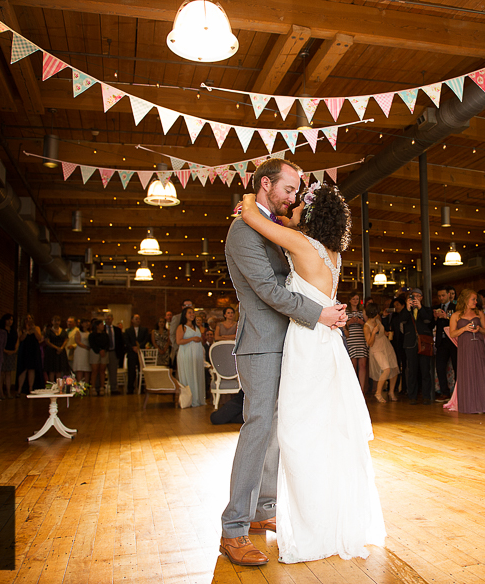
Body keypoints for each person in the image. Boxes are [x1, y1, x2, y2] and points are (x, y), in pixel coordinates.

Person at [219, 159, 349, 566]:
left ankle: (263, 511)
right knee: (258, 429)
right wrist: (320, 313)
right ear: (265, 184)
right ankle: (233, 528)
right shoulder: (243, 231)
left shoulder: (271, 228)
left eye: (297, 192)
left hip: (290, 342)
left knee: (278, 430)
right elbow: (269, 292)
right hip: (261, 343)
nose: (294, 198)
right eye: (289, 190)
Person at [450, 289, 485, 414]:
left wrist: (479, 329)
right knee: (467, 373)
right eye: (473, 299)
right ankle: (469, 404)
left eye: (476, 299)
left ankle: (483, 404)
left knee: (481, 371)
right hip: (465, 347)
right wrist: (464, 329)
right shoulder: (456, 315)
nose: (476, 302)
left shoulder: (479, 313)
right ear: (465, 300)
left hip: (478, 345)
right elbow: (452, 333)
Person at [396, 288, 435, 405]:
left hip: (424, 343)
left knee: (425, 370)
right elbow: (402, 320)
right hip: (410, 343)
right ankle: (412, 396)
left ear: (422, 298)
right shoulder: (406, 310)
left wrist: (420, 308)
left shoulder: (427, 310)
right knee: (412, 370)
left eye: (418, 296)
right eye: (413, 296)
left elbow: (428, 320)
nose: (416, 298)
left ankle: (426, 396)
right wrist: (408, 308)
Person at [364, 301, 399, 402]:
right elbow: (369, 343)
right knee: (386, 369)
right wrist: (374, 333)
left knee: (394, 368)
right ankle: (378, 393)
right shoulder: (366, 327)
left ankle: (391, 392)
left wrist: (387, 333)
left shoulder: (378, 320)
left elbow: (383, 332)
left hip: (386, 346)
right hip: (376, 349)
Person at [176, 307, 205, 407]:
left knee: (196, 374)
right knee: (189, 374)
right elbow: (178, 341)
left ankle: (197, 398)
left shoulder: (196, 326)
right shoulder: (181, 327)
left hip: (196, 354)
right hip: (186, 353)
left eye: (193, 313)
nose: (192, 314)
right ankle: (189, 400)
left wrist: (199, 339)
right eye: (190, 313)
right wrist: (192, 338)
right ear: (185, 315)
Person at [433, 286, 458, 399]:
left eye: (443, 295)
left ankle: (458, 391)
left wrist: (447, 316)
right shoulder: (436, 308)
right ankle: (445, 392)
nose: (441, 298)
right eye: (439, 296)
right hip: (441, 341)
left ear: (449, 295)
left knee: (457, 366)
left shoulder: (455, 307)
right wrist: (434, 318)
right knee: (440, 367)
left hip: (453, 341)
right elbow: (431, 326)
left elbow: (459, 320)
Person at [344, 292, 369, 394]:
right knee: (353, 366)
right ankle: (353, 390)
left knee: (363, 365)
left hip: (361, 339)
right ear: (349, 300)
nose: (355, 301)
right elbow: (343, 326)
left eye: (357, 299)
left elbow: (368, 325)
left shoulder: (362, 311)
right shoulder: (346, 311)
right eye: (353, 299)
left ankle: (362, 390)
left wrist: (360, 322)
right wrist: (349, 322)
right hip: (351, 340)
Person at [16, 315, 44, 394]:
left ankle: (31, 388)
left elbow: (39, 338)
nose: (29, 320)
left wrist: (34, 329)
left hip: (33, 350)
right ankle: (19, 389)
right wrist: (26, 331)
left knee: (32, 369)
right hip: (24, 350)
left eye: (30, 318)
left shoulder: (37, 328)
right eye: (27, 319)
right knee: (23, 369)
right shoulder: (21, 329)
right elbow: (21, 339)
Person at [124, 314, 150, 395]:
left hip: (141, 352)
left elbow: (146, 339)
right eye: (136, 319)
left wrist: (139, 347)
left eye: (139, 319)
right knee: (131, 371)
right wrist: (133, 347)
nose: (138, 320)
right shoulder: (128, 330)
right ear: (132, 320)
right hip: (132, 353)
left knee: (141, 370)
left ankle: (141, 387)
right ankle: (130, 388)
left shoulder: (144, 330)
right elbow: (126, 341)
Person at [44, 315, 70, 381]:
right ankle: (51, 385)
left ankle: (59, 385)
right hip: (51, 351)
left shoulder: (63, 331)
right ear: (52, 322)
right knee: (52, 370)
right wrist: (56, 348)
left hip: (61, 351)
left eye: (58, 321)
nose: (57, 322)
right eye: (55, 321)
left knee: (59, 369)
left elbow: (66, 340)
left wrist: (61, 348)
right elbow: (47, 341)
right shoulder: (49, 331)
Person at [88, 319, 110, 396]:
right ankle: (93, 387)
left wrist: (104, 350)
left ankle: (102, 387)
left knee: (102, 370)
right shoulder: (92, 335)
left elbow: (108, 343)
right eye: (101, 324)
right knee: (94, 370)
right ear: (97, 326)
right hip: (95, 352)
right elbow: (92, 344)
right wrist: (99, 350)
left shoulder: (105, 335)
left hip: (104, 353)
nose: (102, 326)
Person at [104, 314, 125, 394]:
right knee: (102, 370)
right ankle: (100, 388)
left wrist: (120, 353)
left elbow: (120, 342)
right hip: (105, 352)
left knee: (113, 371)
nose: (107, 321)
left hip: (113, 352)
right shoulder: (102, 329)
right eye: (106, 319)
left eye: (109, 319)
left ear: (112, 319)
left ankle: (113, 388)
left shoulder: (117, 330)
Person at [0, 313, 18, 399]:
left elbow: (17, 340)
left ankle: (9, 392)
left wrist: (14, 350)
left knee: (8, 373)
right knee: (2, 373)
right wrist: (4, 350)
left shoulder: (13, 331)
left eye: (11, 320)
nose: (10, 321)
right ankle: (1, 392)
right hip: (3, 352)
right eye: (8, 320)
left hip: (11, 352)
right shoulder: (1, 330)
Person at [170, 299, 193, 367]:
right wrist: (177, 348)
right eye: (186, 305)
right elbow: (172, 334)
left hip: (192, 349)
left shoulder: (193, 319)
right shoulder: (177, 318)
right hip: (180, 348)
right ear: (182, 307)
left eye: (190, 305)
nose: (188, 307)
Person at [72, 319, 92, 385]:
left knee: (87, 369)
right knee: (80, 369)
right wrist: (86, 347)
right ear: (82, 324)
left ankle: (86, 385)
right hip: (80, 351)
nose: (87, 324)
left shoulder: (89, 332)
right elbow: (78, 341)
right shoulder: (78, 332)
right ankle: (79, 385)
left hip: (87, 352)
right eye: (85, 322)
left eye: (88, 322)